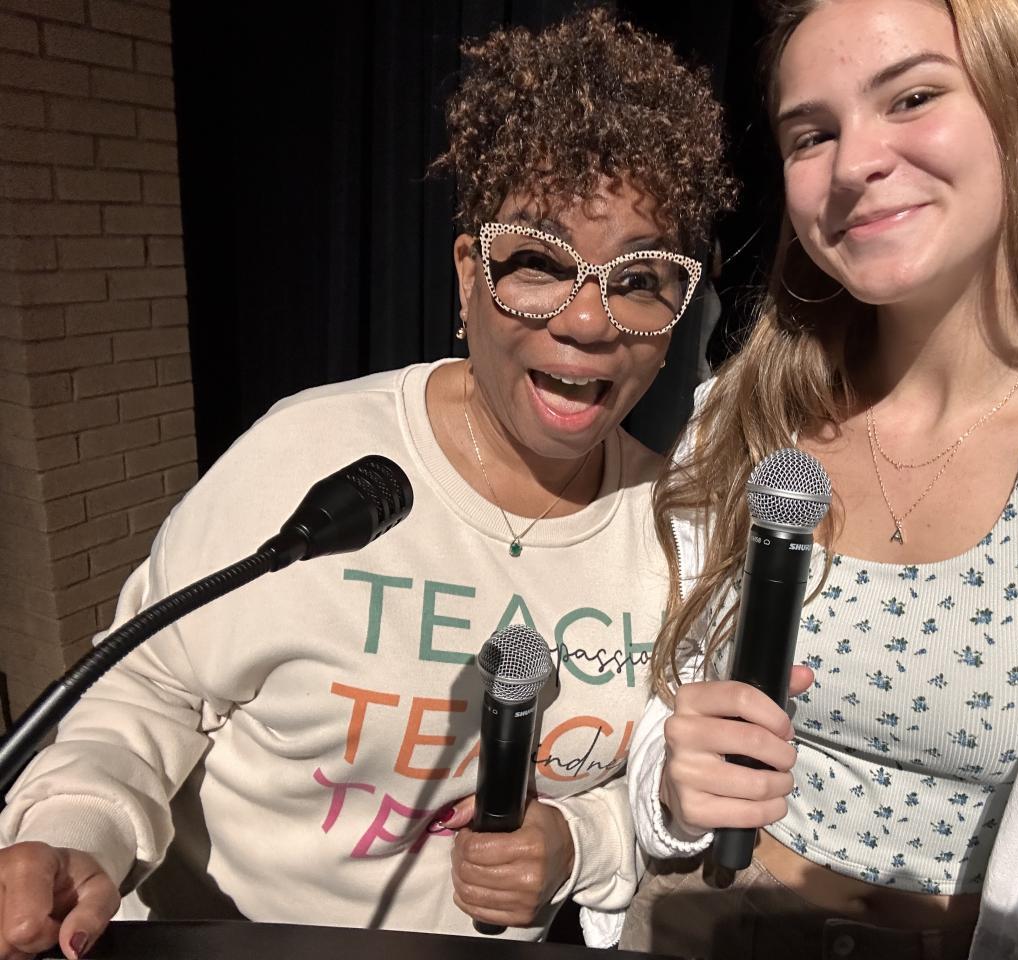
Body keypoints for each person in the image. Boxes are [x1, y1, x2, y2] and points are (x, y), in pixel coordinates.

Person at [0, 10, 736, 958]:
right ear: (469, 275)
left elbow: (658, 786)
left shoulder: (677, 531)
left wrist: (577, 842)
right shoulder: (309, 454)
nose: (589, 321)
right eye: (539, 264)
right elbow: (148, 688)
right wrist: (75, 830)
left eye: (639, 279)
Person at [618, 1, 1018, 958]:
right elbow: (666, 694)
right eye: (812, 134)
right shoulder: (738, 417)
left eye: (912, 97)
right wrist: (675, 787)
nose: (854, 163)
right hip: (701, 916)